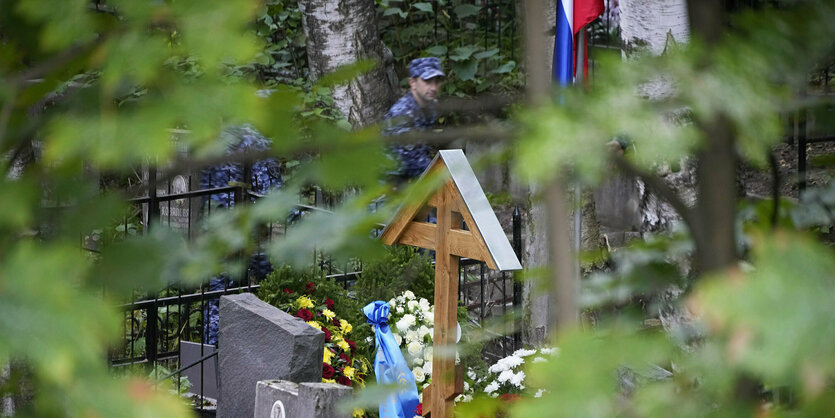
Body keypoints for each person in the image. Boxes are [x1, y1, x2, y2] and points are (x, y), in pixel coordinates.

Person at [383, 57, 445, 180]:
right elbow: (412, 161)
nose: (433, 87)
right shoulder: (402, 113)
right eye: (427, 81)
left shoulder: (431, 106)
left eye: (437, 81)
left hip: (411, 179)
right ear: (413, 83)